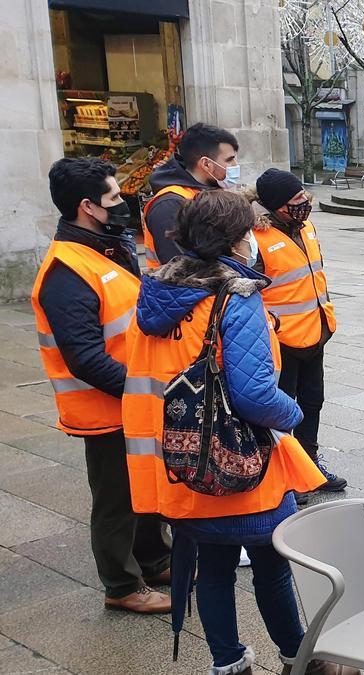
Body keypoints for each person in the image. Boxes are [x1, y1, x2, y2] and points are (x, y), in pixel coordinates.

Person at [122, 190, 350, 675]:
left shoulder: (155, 293)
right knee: (271, 570)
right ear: (236, 238)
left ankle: (229, 663)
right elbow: (254, 395)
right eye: (249, 229)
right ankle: (302, 658)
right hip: (243, 464)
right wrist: (292, 415)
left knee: (215, 570)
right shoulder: (236, 296)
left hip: (182, 462)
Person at [32, 158, 172, 614]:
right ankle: (121, 584)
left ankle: (154, 558)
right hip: (107, 407)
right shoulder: (66, 271)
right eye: (114, 198)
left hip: (133, 399)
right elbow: (85, 358)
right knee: (116, 500)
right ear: (88, 207)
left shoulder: (104, 249)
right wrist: (141, 389)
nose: (123, 205)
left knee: (144, 484)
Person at [252, 168, 346, 494]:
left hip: (316, 332)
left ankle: (310, 463)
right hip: (281, 342)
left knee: (312, 401)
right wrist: (272, 324)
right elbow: (247, 292)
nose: (304, 203)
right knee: (283, 408)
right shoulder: (256, 240)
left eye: (303, 196)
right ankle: (286, 475)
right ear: (277, 206)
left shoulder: (305, 227)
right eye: (296, 200)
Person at [142, 123, 240, 268]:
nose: (235, 165)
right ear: (206, 164)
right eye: (229, 160)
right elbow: (180, 269)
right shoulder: (170, 204)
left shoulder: (209, 191)